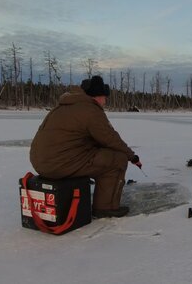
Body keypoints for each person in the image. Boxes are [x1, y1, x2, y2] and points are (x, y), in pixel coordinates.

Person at [29, 75, 142, 218]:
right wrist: (132, 157)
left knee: (101, 154)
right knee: (117, 160)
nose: (105, 101)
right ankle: (105, 208)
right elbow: (110, 139)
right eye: (104, 97)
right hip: (59, 164)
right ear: (97, 96)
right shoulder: (90, 110)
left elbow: (80, 139)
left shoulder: (65, 106)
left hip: (41, 163)